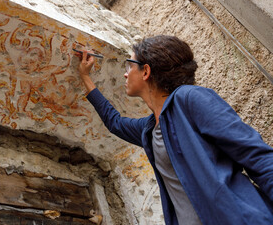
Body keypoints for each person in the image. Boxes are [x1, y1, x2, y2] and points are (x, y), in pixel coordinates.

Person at [75, 35, 273, 225]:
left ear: (145, 71)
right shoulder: (149, 129)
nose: (126, 73)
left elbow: (257, 156)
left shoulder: (190, 98)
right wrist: (85, 76)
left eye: (130, 66)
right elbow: (115, 122)